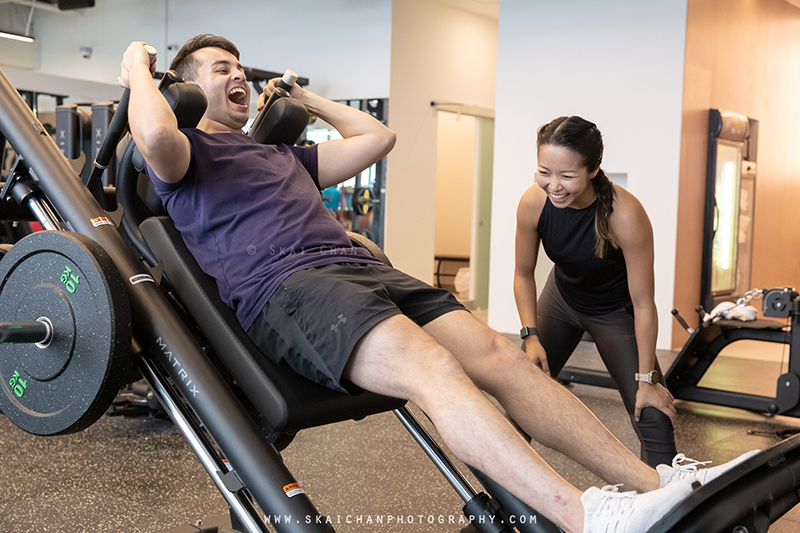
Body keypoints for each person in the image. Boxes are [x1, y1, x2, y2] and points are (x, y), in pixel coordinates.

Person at [119, 35, 754, 533]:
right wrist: (136, 71)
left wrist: (305, 102)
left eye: (239, 66)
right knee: (437, 372)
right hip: (290, 287)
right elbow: (151, 131)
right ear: (185, 90)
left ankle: (659, 490)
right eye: (217, 68)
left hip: (363, 270)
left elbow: (379, 137)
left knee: (504, 359)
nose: (237, 76)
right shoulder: (185, 158)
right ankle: (586, 518)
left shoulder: (283, 155)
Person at [514, 116, 675, 467]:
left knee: (653, 417)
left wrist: (647, 379)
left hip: (615, 313)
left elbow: (644, 304)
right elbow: (523, 274)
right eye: (545, 172)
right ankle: (497, 507)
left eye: (567, 176)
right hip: (561, 300)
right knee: (518, 398)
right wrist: (530, 336)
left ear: (593, 170)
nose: (553, 185)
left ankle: (667, 513)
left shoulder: (624, 214)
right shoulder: (533, 203)